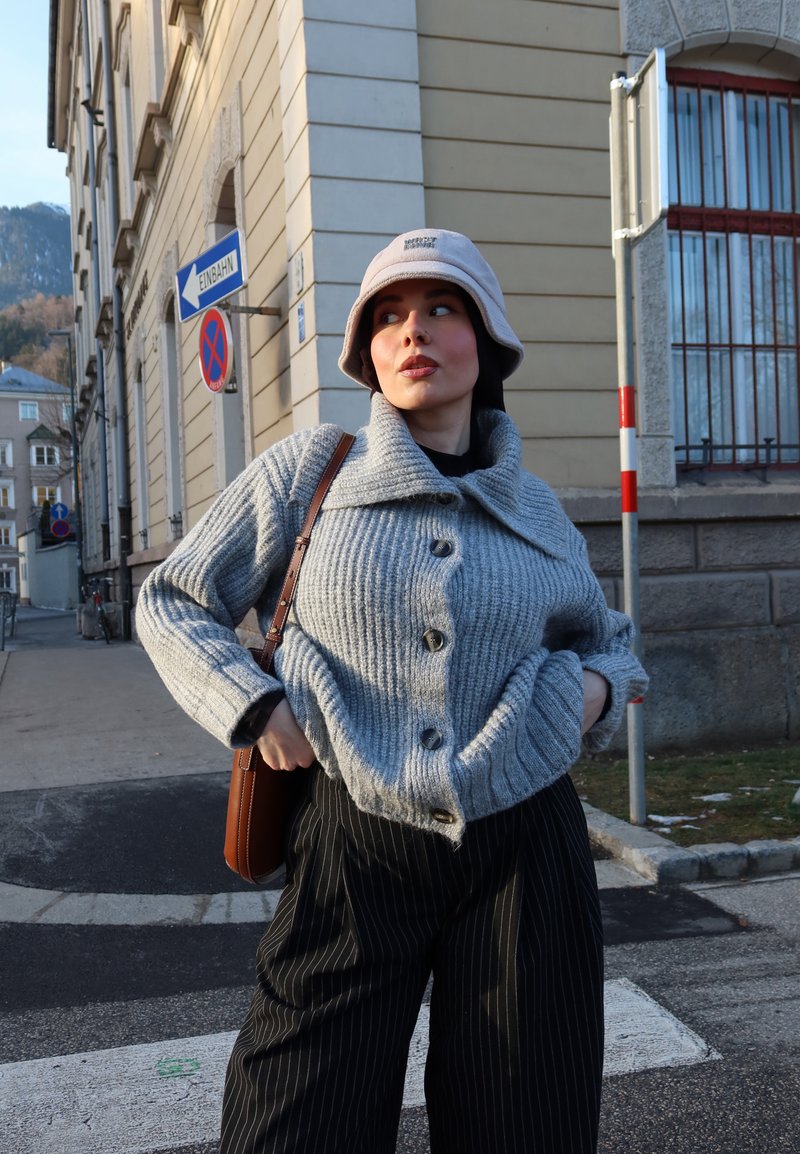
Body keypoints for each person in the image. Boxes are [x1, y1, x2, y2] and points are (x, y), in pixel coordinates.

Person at [137, 228, 648, 1154]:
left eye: (440, 308)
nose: (413, 330)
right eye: (388, 316)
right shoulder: (310, 475)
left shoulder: (535, 509)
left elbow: (611, 641)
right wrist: (252, 709)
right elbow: (172, 598)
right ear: (368, 352)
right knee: (292, 1120)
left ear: (486, 339)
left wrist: (592, 695)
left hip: (525, 845)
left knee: (524, 1123)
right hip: (349, 835)